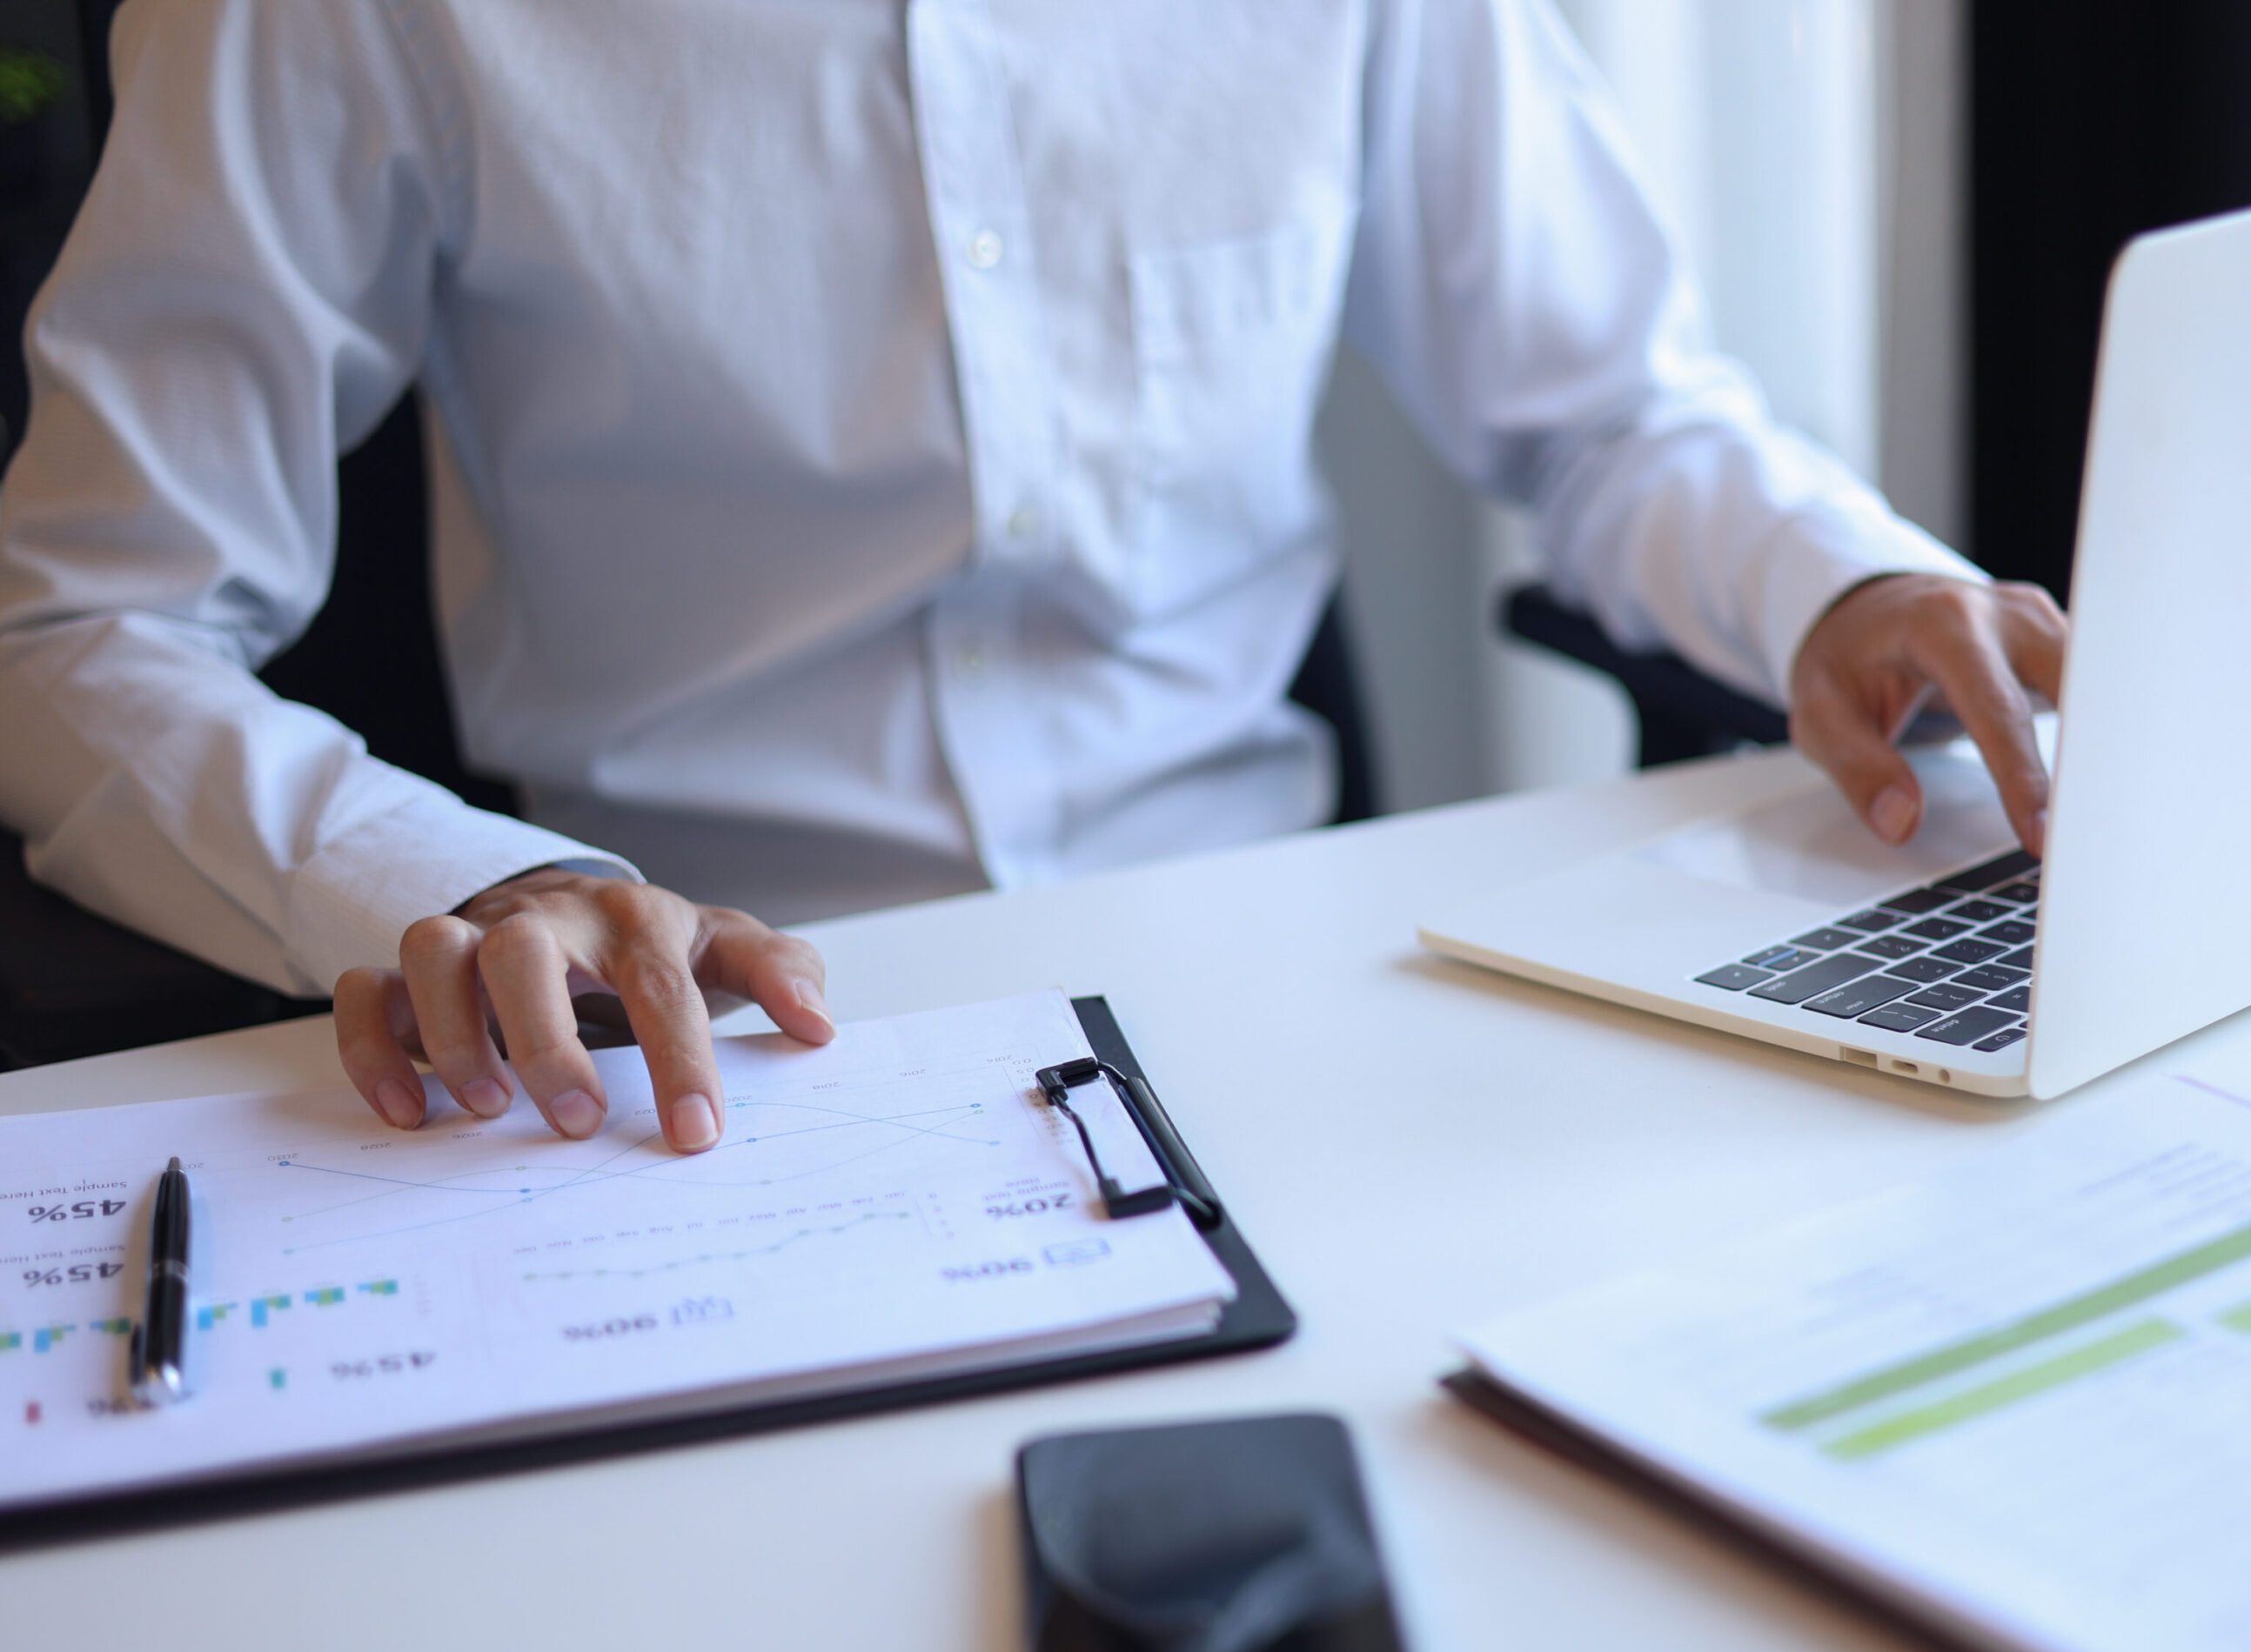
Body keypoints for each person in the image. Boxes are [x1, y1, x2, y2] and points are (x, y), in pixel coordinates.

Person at [0, 0, 2064, 1154]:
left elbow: (1610, 405)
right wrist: (435, 882)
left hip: (1302, 1005)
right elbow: (81, 625)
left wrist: (1839, 582)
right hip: (683, 1061)